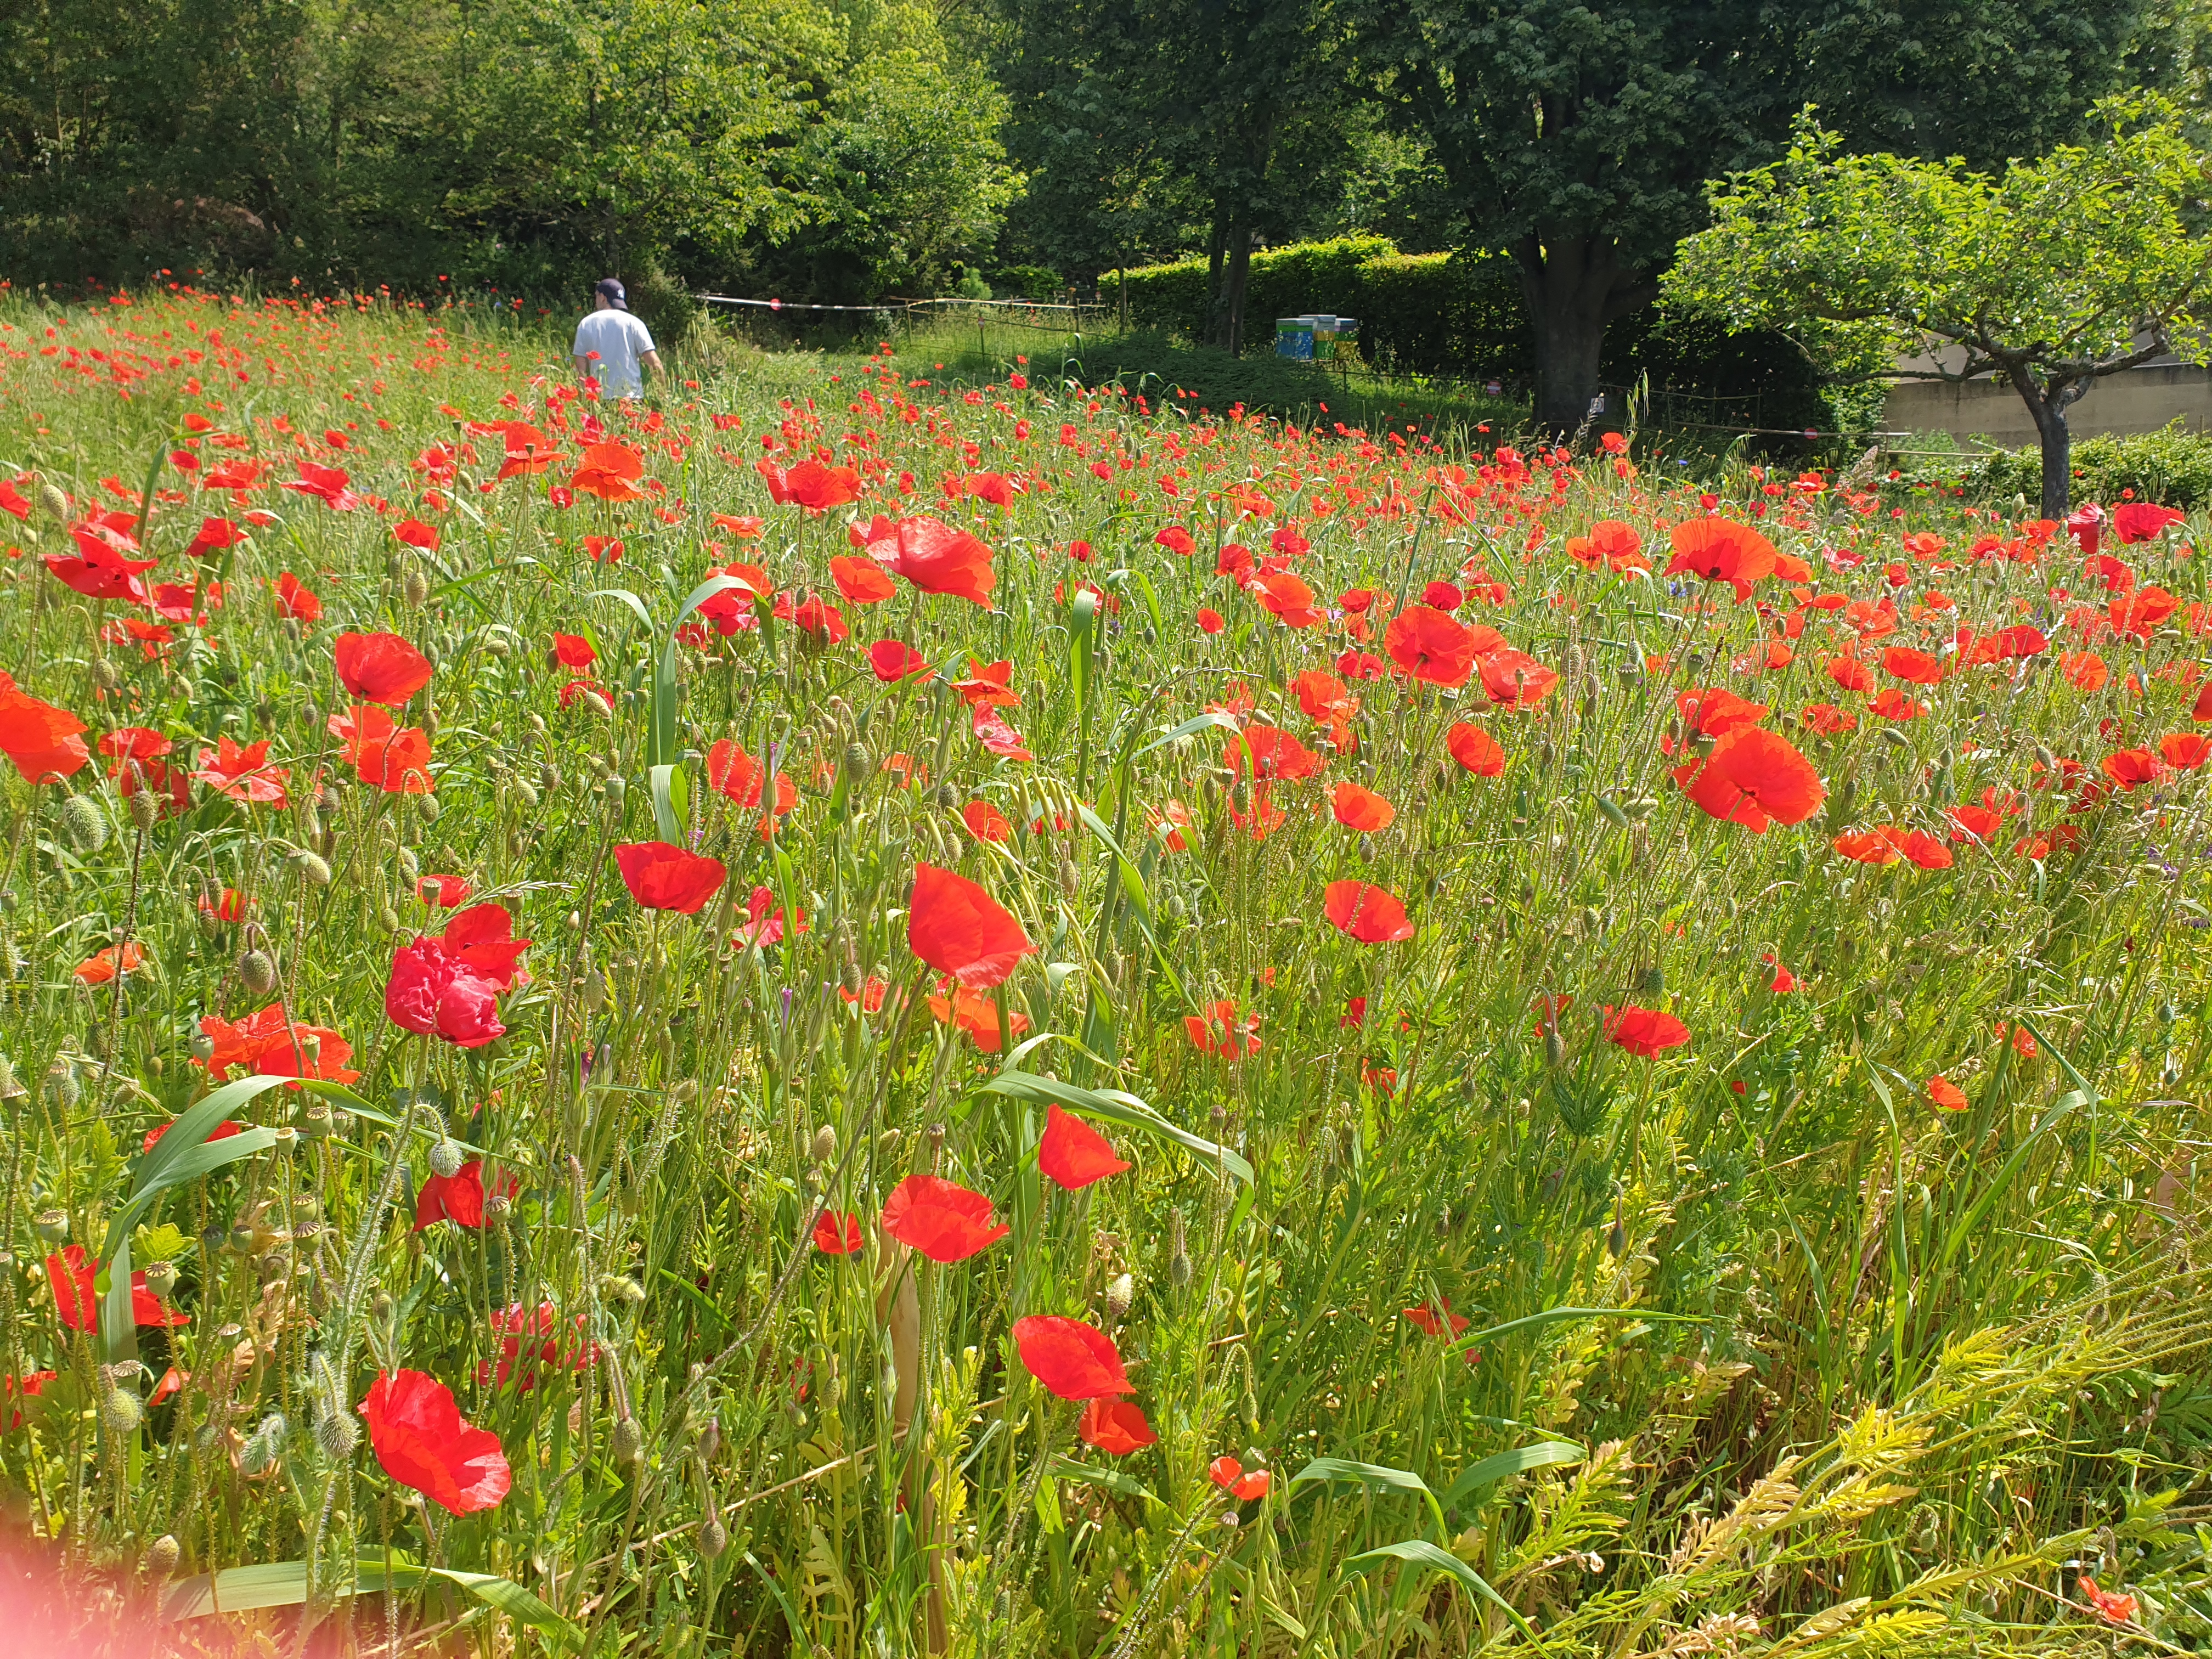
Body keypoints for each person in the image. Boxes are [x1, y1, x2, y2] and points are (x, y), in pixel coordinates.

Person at [571, 278, 663, 399]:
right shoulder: (634, 322)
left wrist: (584, 394)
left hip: (600, 398)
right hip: (631, 398)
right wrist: (663, 394)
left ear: (603, 297)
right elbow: (654, 363)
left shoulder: (587, 323)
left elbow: (580, 364)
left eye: (597, 296)